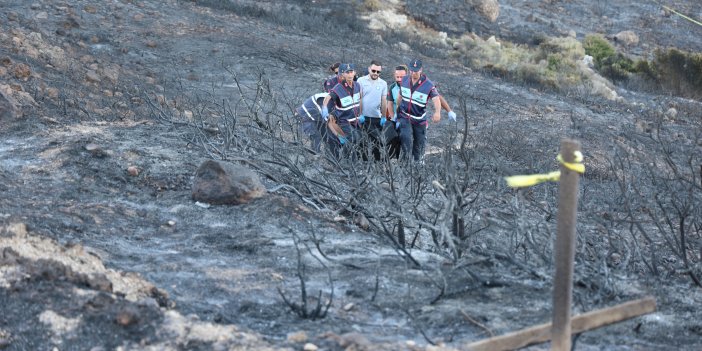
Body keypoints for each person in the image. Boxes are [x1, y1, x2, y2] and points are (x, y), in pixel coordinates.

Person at [395, 59, 442, 162]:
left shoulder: (429, 85)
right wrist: (398, 106)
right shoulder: (404, 80)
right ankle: (405, 163)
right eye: (411, 70)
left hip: (419, 118)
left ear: (421, 70)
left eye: (416, 71)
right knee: (405, 138)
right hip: (405, 115)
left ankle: (418, 163)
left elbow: (436, 99)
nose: (413, 73)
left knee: (419, 143)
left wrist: (437, 112)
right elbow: (400, 95)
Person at [321, 63, 364, 158]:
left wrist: (361, 114)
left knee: (359, 138)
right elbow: (327, 98)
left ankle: (349, 159)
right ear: (342, 74)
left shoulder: (357, 85)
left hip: (355, 119)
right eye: (347, 72)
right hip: (344, 120)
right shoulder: (338, 87)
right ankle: (345, 159)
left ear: (354, 73)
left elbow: (359, 100)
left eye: (351, 72)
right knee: (351, 139)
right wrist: (324, 109)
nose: (349, 74)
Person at [356, 60, 388, 161]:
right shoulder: (360, 81)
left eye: (378, 72)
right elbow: (359, 98)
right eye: (374, 70)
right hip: (363, 117)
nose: (375, 73)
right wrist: (359, 114)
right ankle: (361, 162)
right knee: (361, 140)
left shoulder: (383, 83)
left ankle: (376, 163)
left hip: (376, 118)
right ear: (369, 69)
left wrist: (383, 117)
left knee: (377, 142)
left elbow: (384, 101)